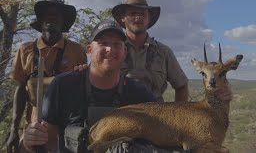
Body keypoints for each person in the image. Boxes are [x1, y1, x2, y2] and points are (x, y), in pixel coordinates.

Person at [22, 20, 157, 152]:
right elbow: (48, 142)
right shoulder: (62, 86)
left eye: (117, 44)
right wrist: (32, 141)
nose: (110, 49)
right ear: (90, 50)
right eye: (103, 43)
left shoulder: (141, 93)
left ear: (125, 52)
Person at [6, 0, 87, 153]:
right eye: (47, 13)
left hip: (65, 132)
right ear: (40, 20)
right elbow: (21, 90)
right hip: (33, 129)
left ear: (63, 22)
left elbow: (83, 91)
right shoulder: (25, 50)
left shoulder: (77, 51)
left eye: (57, 14)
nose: (52, 17)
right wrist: (14, 130)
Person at [112, 0, 189, 102]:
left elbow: (181, 86)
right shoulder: (112, 50)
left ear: (148, 19)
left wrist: (178, 116)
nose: (138, 17)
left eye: (143, 14)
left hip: (155, 115)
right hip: (121, 114)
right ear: (123, 18)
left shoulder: (164, 52)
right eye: (133, 13)